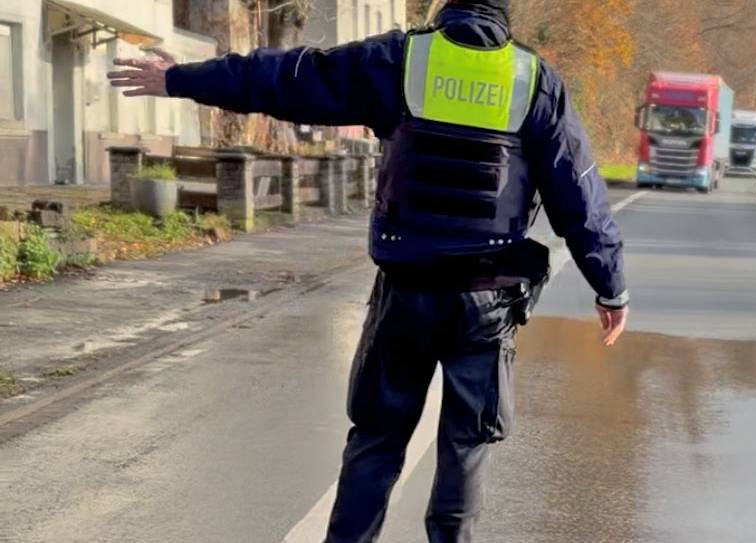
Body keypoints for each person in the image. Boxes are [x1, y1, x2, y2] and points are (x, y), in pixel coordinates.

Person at [108, 1, 629, 541]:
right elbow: (579, 194)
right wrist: (610, 287)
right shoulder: (534, 82)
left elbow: (289, 78)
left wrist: (180, 78)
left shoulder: (403, 58)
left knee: (377, 440)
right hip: (486, 301)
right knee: (466, 445)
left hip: (405, 293)